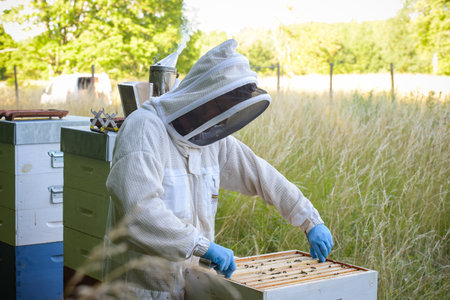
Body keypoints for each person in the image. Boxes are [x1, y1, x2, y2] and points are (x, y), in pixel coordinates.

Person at [106, 39, 333, 299]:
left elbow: (261, 175)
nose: (224, 118)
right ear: (203, 94)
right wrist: (202, 246)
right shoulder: (144, 129)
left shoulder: (212, 140)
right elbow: (138, 211)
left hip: (193, 282)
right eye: (221, 107)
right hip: (141, 289)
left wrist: (309, 219)